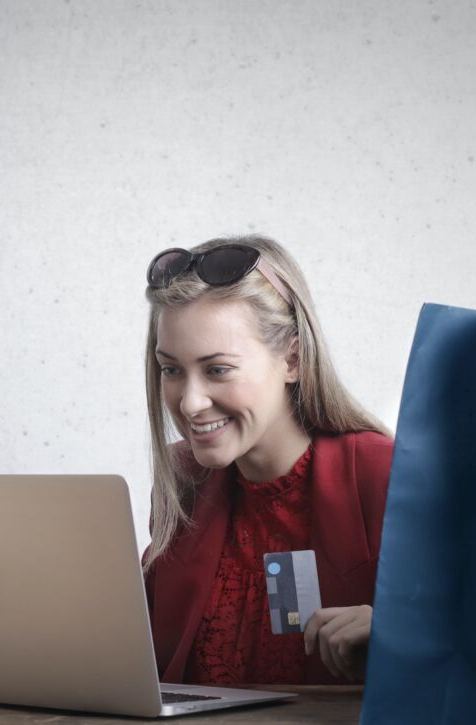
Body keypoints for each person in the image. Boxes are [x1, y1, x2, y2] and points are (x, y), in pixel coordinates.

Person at [141, 235, 393, 685]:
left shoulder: (384, 475)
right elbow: (143, 656)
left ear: (292, 359)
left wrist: (403, 636)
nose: (190, 402)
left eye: (217, 369)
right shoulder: (184, 482)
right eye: (172, 369)